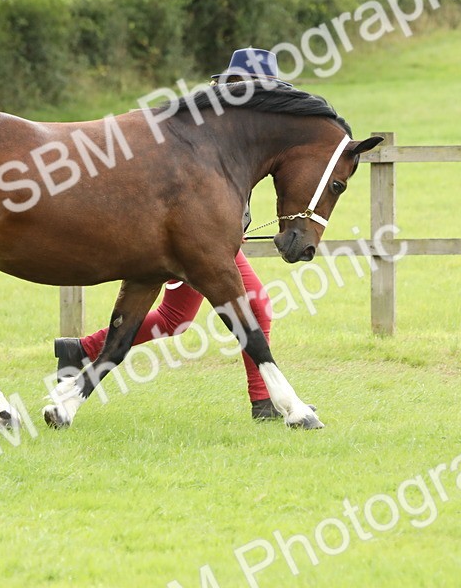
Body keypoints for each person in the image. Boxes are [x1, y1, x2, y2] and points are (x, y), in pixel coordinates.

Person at [53, 47, 291, 421]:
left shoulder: (241, 132)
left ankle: (80, 350)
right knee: (240, 310)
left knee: (178, 319)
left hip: (212, 239)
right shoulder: (204, 126)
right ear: (236, 86)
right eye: (260, 90)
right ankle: (264, 403)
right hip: (189, 239)